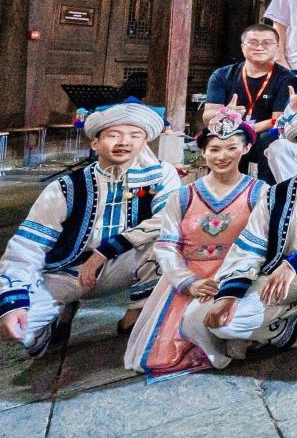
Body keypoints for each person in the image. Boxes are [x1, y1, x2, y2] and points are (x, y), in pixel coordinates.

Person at [186, 109, 297, 373]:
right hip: (277, 276)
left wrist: (294, 263)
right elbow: (251, 244)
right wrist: (229, 294)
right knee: (210, 319)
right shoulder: (277, 193)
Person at [0, 101, 178, 357]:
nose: (124, 142)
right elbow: (28, 246)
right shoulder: (66, 187)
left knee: (168, 243)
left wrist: (105, 251)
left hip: (128, 262)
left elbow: (167, 218)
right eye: (114, 135)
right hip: (68, 273)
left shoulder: (161, 175)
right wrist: (13, 302)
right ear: (95, 143)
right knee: (14, 324)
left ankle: (136, 314)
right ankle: (59, 315)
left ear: (145, 142)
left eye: (135, 135)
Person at [124, 109, 266, 381]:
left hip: (236, 274)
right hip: (189, 276)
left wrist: (234, 280)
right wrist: (188, 282)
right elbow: (166, 245)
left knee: (221, 320)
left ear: (246, 148)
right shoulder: (182, 196)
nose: (222, 156)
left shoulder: (260, 192)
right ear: (203, 152)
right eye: (214, 149)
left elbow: (262, 244)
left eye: (231, 148)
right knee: (161, 356)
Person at [204, 24, 295, 174]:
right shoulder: (222, 75)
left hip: (263, 133)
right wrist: (224, 113)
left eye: (267, 43)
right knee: (221, 136)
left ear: (277, 47)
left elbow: (278, 119)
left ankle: (268, 187)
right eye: (253, 43)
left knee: (270, 139)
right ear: (242, 46)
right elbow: (207, 116)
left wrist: (246, 130)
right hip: (230, 130)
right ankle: (223, 185)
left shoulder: (287, 78)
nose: (259, 48)